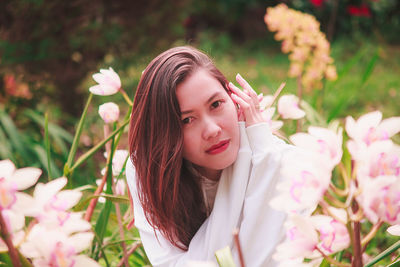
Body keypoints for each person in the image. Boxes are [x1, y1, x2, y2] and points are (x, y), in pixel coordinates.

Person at [126, 46, 292, 266]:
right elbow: (169, 263)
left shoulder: (272, 155)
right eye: (186, 120)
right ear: (163, 136)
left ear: (235, 99)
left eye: (216, 104)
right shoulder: (148, 168)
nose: (212, 130)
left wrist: (260, 146)